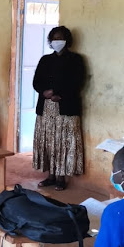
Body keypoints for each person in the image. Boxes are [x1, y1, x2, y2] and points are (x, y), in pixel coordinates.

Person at [32, 26, 85, 191]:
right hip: (47, 108)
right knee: (49, 143)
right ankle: (50, 176)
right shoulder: (45, 60)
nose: (57, 41)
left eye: (60, 38)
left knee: (63, 142)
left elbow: (77, 82)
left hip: (66, 108)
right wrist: (44, 92)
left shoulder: (76, 60)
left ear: (67, 40)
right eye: (54, 38)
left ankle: (61, 178)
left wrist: (59, 94)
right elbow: (36, 81)